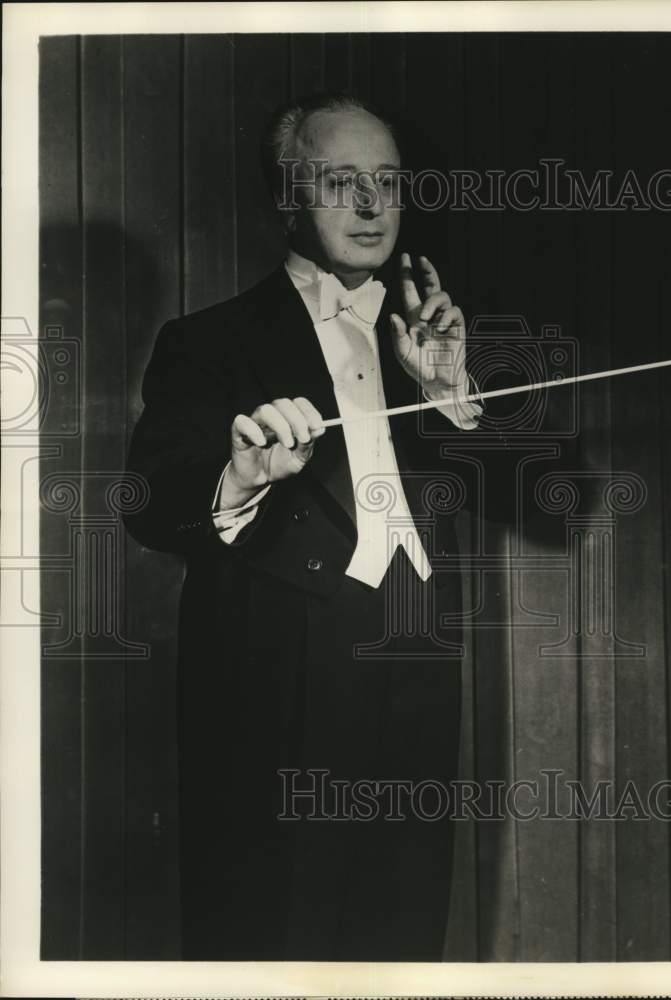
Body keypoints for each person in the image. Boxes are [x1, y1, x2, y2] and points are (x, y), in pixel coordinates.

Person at [124, 92, 487, 961]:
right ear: (289, 197)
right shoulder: (208, 340)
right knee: (271, 929)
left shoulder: (430, 339)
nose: (370, 206)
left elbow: (545, 500)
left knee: (404, 930)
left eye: (387, 183)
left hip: (415, 662)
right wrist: (239, 474)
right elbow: (147, 499)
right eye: (340, 182)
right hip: (276, 675)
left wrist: (451, 392)